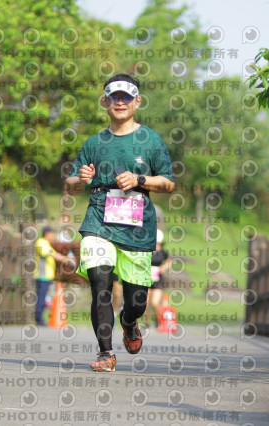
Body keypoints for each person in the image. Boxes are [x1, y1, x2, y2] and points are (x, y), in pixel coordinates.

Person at [64, 73, 175, 372]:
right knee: (100, 282)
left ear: (137, 101)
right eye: (115, 97)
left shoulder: (150, 140)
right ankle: (105, 353)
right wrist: (80, 179)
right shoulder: (94, 142)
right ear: (105, 102)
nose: (121, 102)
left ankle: (129, 321)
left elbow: (168, 183)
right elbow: (71, 182)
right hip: (99, 220)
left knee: (136, 301)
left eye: (127, 97)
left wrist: (140, 179)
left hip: (137, 228)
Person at [34, 226, 75, 326]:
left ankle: (40, 318)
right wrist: (65, 259)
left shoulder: (46, 243)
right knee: (41, 298)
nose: (53, 236)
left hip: (46, 276)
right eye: (52, 234)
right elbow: (52, 254)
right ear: (47, 234)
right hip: (42, 275)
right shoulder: (41, 242)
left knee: (43, 298)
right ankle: (39, 319)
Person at [144, 228, 170, 328]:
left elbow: (169, 262)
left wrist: (164, 267)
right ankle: (146, 322)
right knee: (145, 303)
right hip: (146, 279)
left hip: (158, 280)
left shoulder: (163, 252)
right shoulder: (147, 250)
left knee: (155, 303)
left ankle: (157, 319)